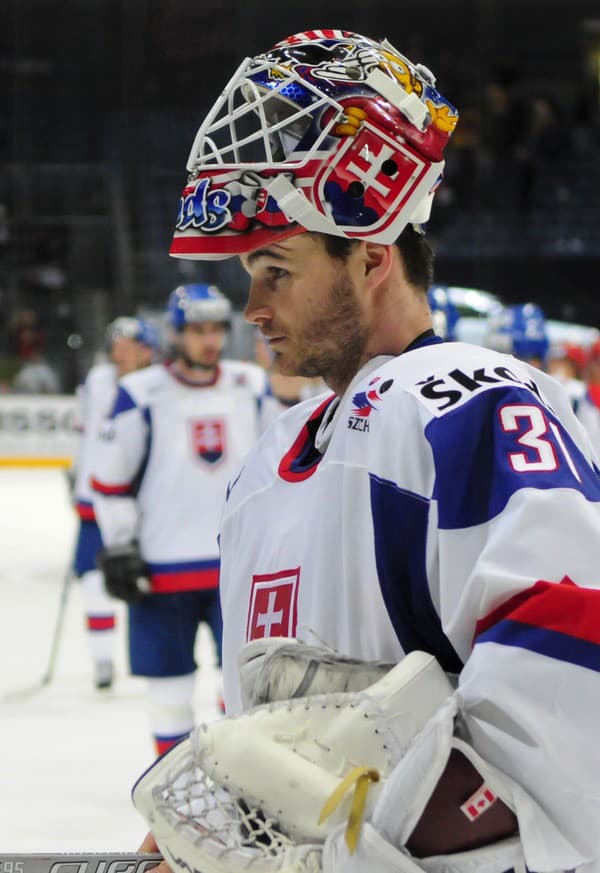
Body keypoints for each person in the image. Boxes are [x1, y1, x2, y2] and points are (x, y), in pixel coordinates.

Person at [136, 29, 600, 873]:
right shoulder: (264, 463)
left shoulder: (469, 401)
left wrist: (357, 850)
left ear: (373, 256)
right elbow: (269, 734)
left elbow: (570, 689)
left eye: (276, 269)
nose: (253, 308)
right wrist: (227, 822)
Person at [91, 283, 277, 755]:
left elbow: (278, 468)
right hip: (160, 568)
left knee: (242, 694)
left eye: (215, 328)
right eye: (196, 329)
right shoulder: (140, 393)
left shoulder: (251, 385)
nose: (208, 339)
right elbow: (109, 480)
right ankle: (177, 803)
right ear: (176, 334)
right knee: (169, 698)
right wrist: (119, 544)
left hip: (236, 571)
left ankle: (241, 790)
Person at [71, 315, 159, 689]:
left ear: (146, 350)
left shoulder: (156, 387)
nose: (118, 353)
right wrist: (76, 474)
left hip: (140, 508)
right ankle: (103, 661)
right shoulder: (96, 382)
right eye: (115, 346)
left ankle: (156, 662)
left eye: (128, 346)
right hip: (93, 503)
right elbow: (83, 432)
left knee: (148, 587)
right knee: (93, 585)